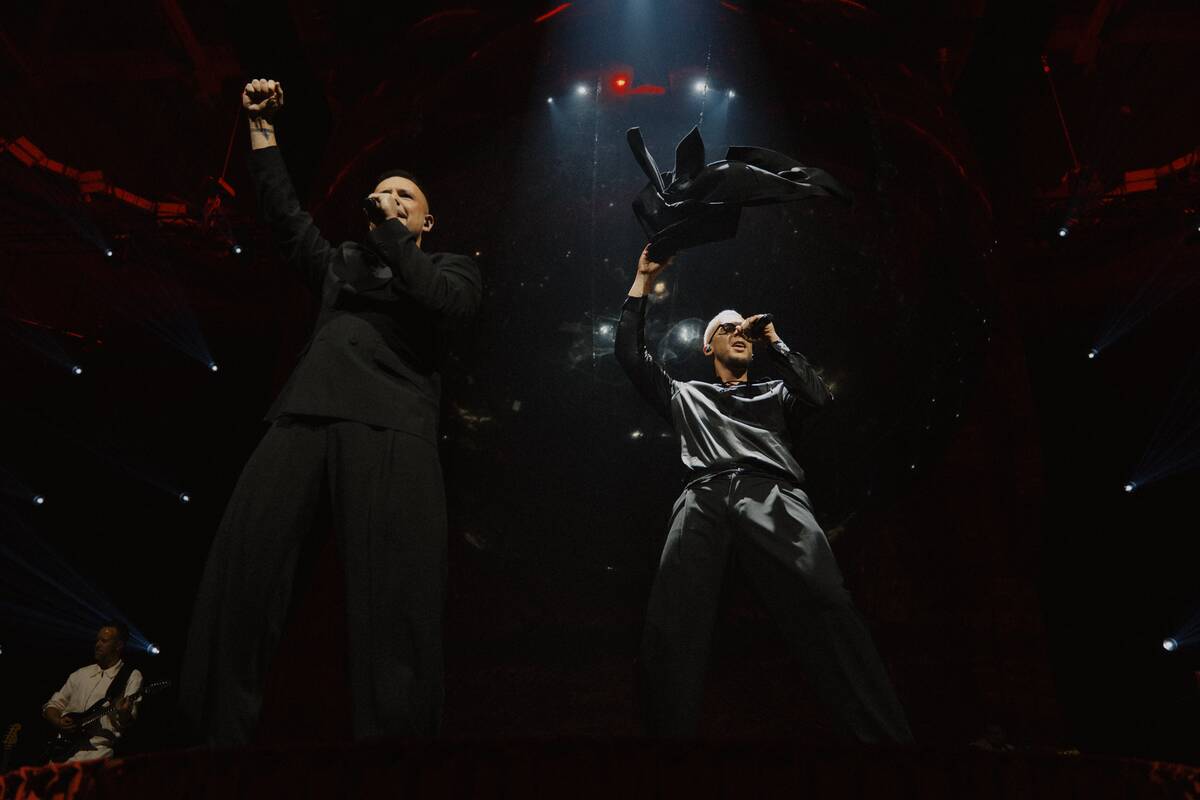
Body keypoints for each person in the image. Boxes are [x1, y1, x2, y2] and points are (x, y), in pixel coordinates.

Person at [180, 78, 482, 744]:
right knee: (247, 565)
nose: (390, 199)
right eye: (383, 192)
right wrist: (261, 130)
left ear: (427, 222)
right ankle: (216, 741)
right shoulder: (341, 266)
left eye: (405, 196)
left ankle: (396, 748)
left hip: (393, 423)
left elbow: (445, 303)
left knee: (394, 591)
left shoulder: (453, 268)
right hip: (307, 412)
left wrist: (394, 239)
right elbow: (286, 219)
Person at [615, 244, 912, 741]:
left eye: (743, 331)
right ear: (707, 347)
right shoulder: (687, 394)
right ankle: (662, 750)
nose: (738, 333)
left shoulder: (775, 393)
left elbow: (819, 398)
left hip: (772, 490)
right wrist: (642, 278)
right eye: (726, 329)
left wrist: (774, 340)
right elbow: (630, 354)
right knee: (673, 618)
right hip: (704, 494)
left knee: (827, 600)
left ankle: (887, 743)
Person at [42, 622, 142, 762]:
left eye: (104, 641)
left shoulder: (131, 675)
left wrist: (123, 712)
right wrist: (58, 721)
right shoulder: (80, 674)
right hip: (61, 753)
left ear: (118, 645)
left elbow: (128, 721)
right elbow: (52, 705)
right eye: (97, 640)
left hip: (97, 756)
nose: (97, 645)